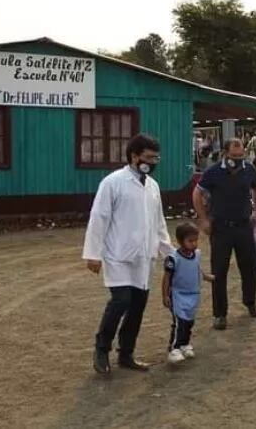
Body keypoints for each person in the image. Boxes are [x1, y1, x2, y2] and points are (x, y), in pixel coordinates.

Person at [83, 133, 174, 375]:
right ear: (134, 156)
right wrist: (93, 254)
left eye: (156, 158)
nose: (153, 162)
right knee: (120, 301)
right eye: (148, 157)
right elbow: (99, 218)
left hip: (144, 257)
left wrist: (170, 253)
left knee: (137, 306)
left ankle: (126, 353)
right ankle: (101, 349)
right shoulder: (113, 183)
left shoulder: (153, 186)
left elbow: (159, 224)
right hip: (118, 255)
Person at [193, 138, 256, 331]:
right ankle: (219, 314)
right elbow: (197, 194)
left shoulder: (249, 169)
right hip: (221, 228)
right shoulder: (213, 172)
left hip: (243, 226)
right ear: (224, 153)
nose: (238, 159)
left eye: (241, 156)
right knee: (219, 271)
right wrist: (203, 219)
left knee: (250, 266)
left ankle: (250, 302)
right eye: (234, 156)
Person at [162, 222, 214, 364]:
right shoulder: (173, 259)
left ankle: (185, 344)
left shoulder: (196, 255)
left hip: (193, 294)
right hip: (178, 295)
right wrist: (165, 295)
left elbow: (196, 268)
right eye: (190, 241)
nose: (194, 244)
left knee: (189, 321)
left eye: (196, 240)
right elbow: (166, 278)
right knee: (180, 322)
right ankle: (174, 348)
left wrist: (205, 277)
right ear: (180, 241)